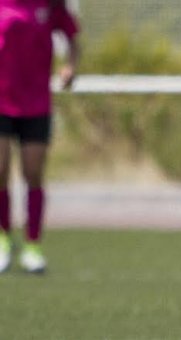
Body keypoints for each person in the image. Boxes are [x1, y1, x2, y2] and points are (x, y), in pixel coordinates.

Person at [0, 0, 79, 274]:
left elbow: (71, 35)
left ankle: (33, 247)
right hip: (1, 100)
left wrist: (70, 66)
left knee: (32, 172)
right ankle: (3, 240)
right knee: (0, 169)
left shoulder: (50, 4)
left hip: (36, 104)